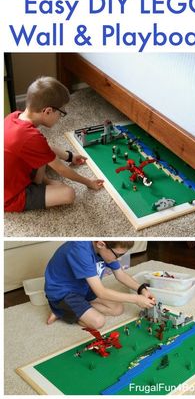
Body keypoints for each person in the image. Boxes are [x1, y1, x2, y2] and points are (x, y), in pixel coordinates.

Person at [4, 76, 103, 212]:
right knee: (68, 194)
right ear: (48, 111)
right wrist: (89, 182)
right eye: (61, 113)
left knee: (41, 147)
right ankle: (42, 182)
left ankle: (42, 180)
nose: (60, 118)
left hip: (10, 175)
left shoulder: (14, 116)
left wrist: (69, 156)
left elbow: (44, 147)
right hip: (10, 196)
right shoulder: (32, 138)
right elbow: (62, 169)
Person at [45, 240, 156, 328]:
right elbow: (101, 292)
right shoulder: (80, 251)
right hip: (63, 293)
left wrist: (142, 289)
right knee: (98, 322)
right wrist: (136, 299)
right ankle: (61, 311)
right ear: (101, 244)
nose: (119, 259)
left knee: (118, 309)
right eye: (117, 255)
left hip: (84, 287)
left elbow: (120, 275)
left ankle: (77, 308)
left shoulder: (105, 250)